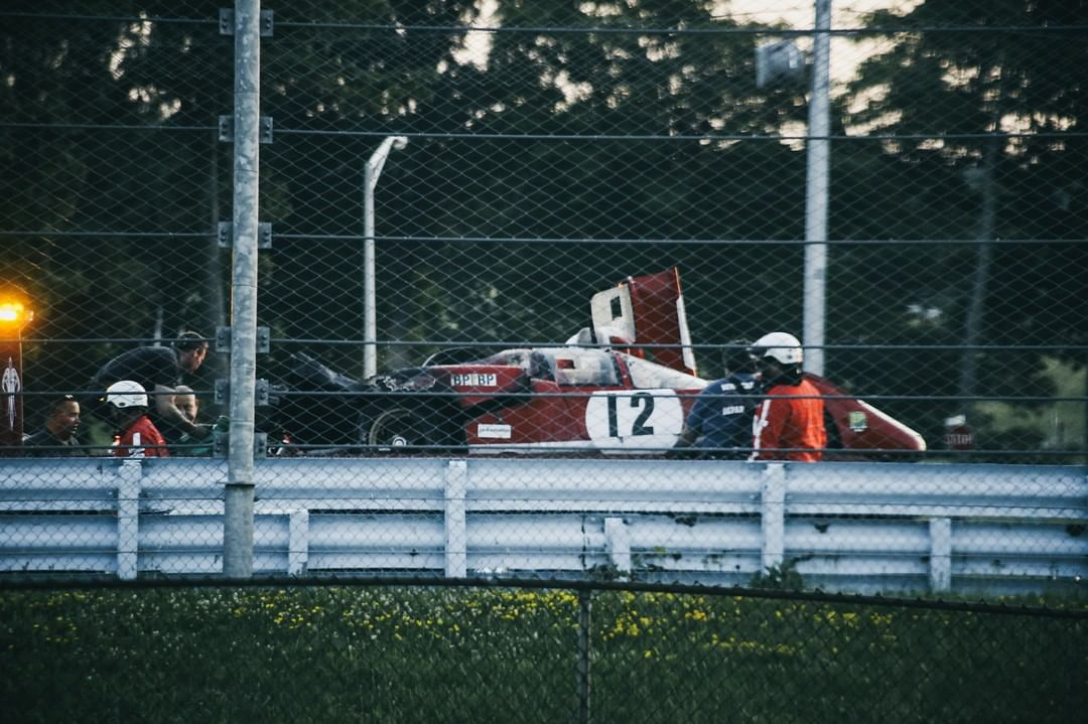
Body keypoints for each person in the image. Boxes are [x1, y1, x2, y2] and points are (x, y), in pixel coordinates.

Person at [88, 330, 210, 444]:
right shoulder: (168, 358)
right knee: (168, 424)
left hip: (101, 395)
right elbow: (165, 408)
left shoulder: (163, 355)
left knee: (152, 423)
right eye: (202, 357)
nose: (200, 363)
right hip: (107, 395)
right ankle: (173, 455)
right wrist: (192, 430)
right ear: (196, 352)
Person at [747, 332, 826, 462]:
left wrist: (753, 466)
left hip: (785, 469)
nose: (759, 371)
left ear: (778, 362)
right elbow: (821, 435)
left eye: (762, 364)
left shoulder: (778, 397)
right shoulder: (810, 389)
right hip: (810, 465)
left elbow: (764, 444)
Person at [673, 341, 760, 459]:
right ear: (756, 363)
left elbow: (690, 433)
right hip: (755, 453)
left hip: (717, 455)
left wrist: (671, 454)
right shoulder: (765, 387)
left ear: (726, 363)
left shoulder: (713, 390)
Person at [105, 380, 169, 458]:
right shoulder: (140, 426)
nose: (112, 411)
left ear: (121, 407)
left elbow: (140, 467)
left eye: (113, 407)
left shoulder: (137, 435)